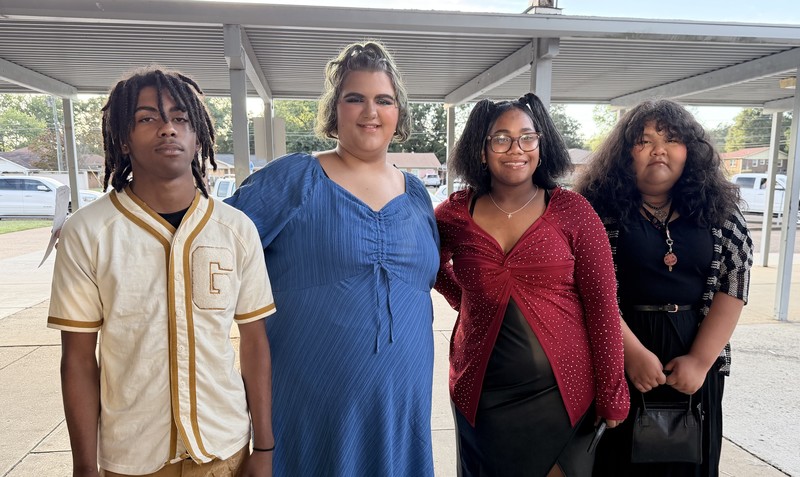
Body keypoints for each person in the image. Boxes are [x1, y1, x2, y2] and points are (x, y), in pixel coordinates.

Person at [47, 67, 276, 477]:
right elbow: (78, 359)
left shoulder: (236, 229)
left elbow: (254, 342)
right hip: (132, 457)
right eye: (147, 118)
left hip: (224, 449)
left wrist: (264, 447)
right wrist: (84, 466)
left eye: (181, 118)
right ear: (122, 137)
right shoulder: (90, 231)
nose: (168, 128)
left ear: (198, 135)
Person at [225, 41, 439, 476]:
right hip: (311, 408)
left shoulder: (417, 194)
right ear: (334, 110)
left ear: (399, 114)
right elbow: (213, 245)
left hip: (400, 407)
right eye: (354, 98)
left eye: (384, 100)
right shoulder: (295, 179)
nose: (370, 112)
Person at [434, 93, 630, 477]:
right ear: (481, 150)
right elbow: (430, 265)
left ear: (541, 144)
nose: (516, 149)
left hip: (563, 395)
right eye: (501, 138)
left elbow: (603, 307)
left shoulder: (574, 211)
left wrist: (612, 392)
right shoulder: (455, 214)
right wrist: (472, 301)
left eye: (527, 137)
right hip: (482, 396)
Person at [574, 99, 753, 477]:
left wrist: (701, 362)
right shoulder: (594, 211)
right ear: (625, 154)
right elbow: (584, 289)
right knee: (617, 463)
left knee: (689, 463)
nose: (659, 149)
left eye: (672, 139)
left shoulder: (720, 211)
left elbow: (734, 284)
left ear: (690, 150)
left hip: (694, 360)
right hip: (618, 351)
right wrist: (631, 354)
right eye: (644, 140)